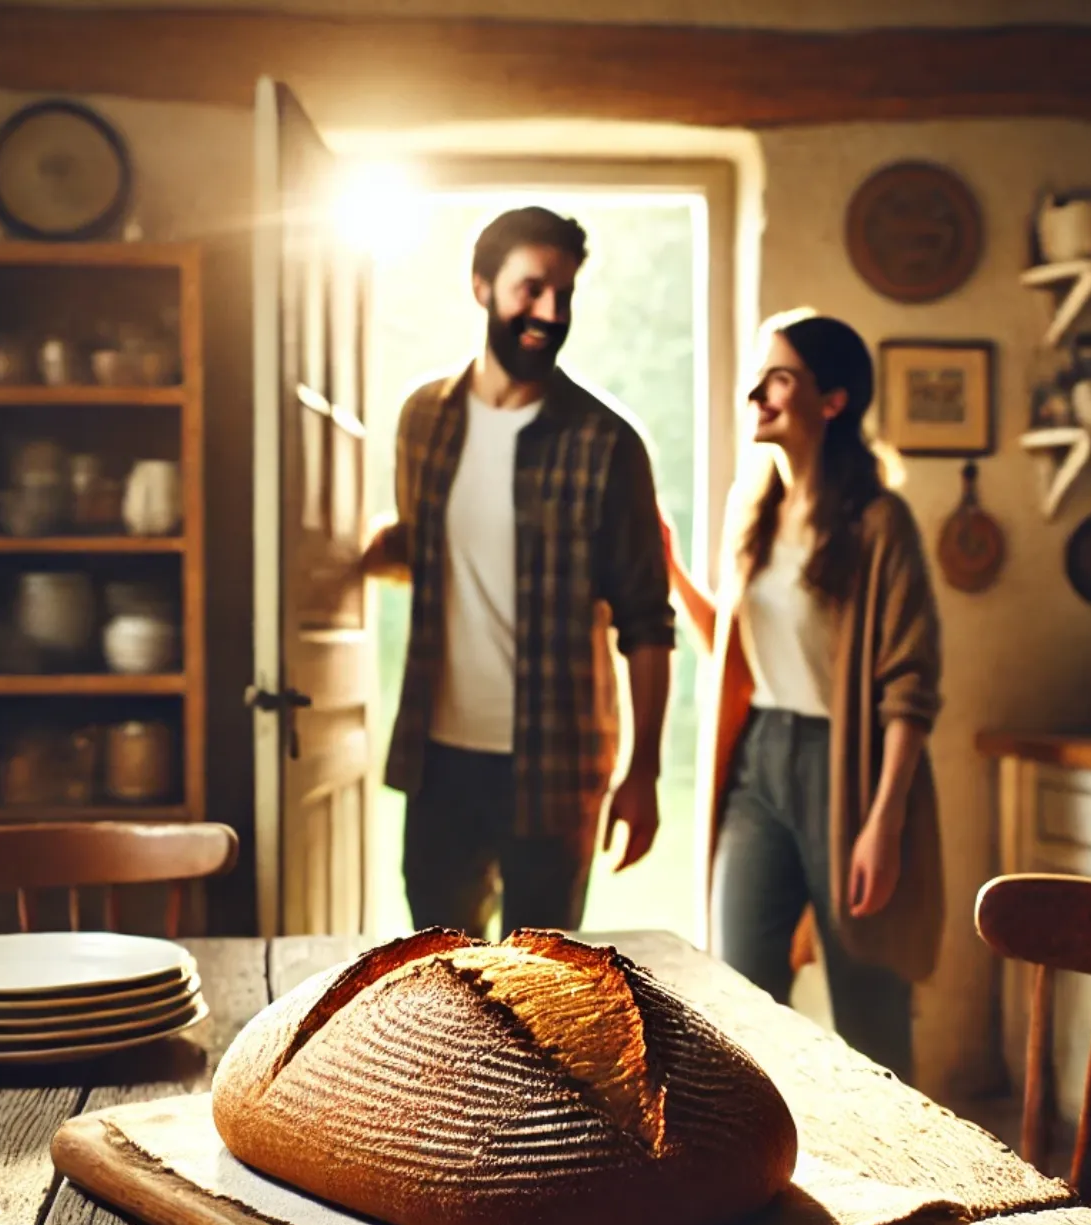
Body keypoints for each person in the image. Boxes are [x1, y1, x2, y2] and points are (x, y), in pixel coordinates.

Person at [363, 206, 674, 936]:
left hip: (558, 764)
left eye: (563, 295)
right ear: (482, 287)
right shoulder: (422, 420)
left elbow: (646, 619)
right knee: (438, 981)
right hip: (438, 760)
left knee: (544, 991)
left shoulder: (608, 442)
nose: (549, 312)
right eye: (531, 289)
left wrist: (646, 773)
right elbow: (425, 548)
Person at [663, 310, 942, 1079]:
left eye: (779, 377)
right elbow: (737, 649)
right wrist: (673, 571)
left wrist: (884, 824)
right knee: (740, 992)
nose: (758, 392)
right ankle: (757, 1172)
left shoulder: (881, 525)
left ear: (832, 400)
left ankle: (909, 1182)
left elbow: (908, 688)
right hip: (760, 761)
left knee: (870, 1009)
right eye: (758, 375)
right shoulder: (750, 513)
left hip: (848, 770)